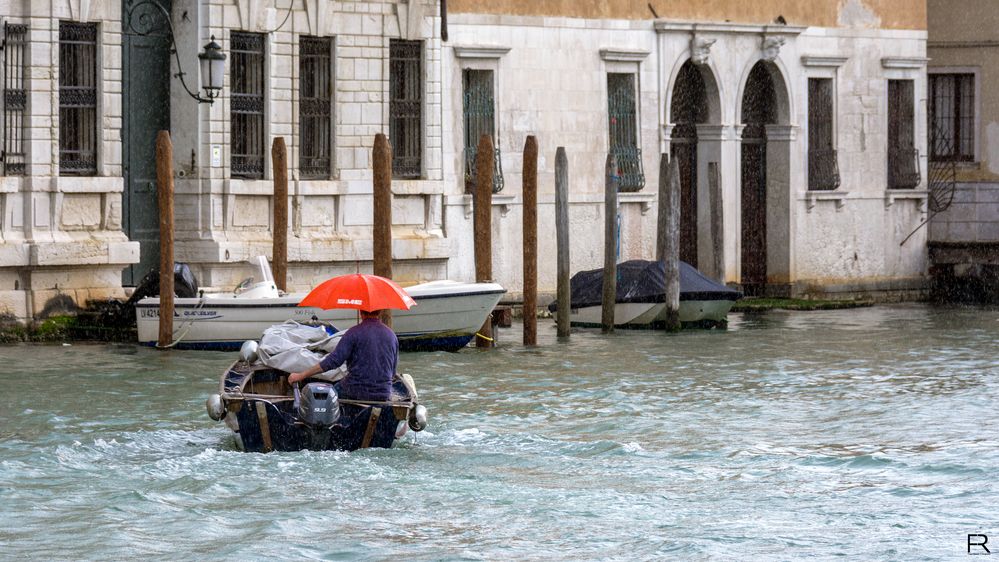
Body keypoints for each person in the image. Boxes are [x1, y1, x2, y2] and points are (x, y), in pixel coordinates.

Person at [287, 309, 398, 401]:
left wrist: (301, 375)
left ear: (360, 312)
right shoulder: (392, 335)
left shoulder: (354, 333)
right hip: (383, 393)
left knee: (328, 396)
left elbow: (333, 361)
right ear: (379, 312)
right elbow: (392, 373)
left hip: (355, 390)